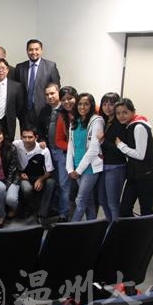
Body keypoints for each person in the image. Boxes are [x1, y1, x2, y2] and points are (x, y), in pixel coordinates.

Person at [115, 98, 153, 217]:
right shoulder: (130, 126)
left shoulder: (139, 126)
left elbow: (140, 155)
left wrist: (120, 145)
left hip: (146, 177)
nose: (121, 116)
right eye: (118, 113)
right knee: (124, 210)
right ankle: (135, 229)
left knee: (146, 212)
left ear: (133, 111)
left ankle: (148, 230)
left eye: (125, 112)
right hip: (134, 176)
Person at [67, 93, 104, 222]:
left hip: (89, 168)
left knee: (81, 200)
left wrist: (78, 171)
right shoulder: (74, 121)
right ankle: (92, 226)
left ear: (91, 105)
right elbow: (71, 145)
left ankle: (71, 228)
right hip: (76, 166)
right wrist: (70, 168)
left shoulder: (96, 121)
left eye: (86, 104)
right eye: (80, 104)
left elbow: (94, 149)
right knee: (89, 200)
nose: (82, 107)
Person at [37, 83, 69, 221]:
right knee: (53, 181)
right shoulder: (44, 110)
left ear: (58, 93)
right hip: (49, 152)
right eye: (47, 94)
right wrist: (41, 139)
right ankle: (54, 209)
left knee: (63, 183)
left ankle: (63, 214)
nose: (50, 97)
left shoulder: (66, 109)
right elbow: (39, 129)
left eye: (52, 93)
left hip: (62, 152)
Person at [14, 126, 55, 224]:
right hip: (23, 176)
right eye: (24, 137)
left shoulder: (43, 150)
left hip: (38, 176)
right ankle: (31, 209)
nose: (27, 140)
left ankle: (42, 214)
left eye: (30, 137)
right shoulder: (16, 145)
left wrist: (41, 180)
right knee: (26, 188)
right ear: (21, 137)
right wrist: (19, 174)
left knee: (51, 182)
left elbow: (49, 171)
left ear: (36, 137)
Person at [15, 39, 61, 127]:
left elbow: (56, 88)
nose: (34, 52)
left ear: (41, 50)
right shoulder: (20, 67)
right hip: (24, 112)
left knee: (42, 135)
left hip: (44, 110)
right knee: (26, 135)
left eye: (36, 49)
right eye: (31, 49)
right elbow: (17, 90)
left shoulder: (50, 66)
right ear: (27, 51)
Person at [97, 92, 127, 222]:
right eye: (104, 104)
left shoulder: (120, 123)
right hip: (103, 166)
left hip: (116, 167)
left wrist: (103, 142)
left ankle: (117, 231)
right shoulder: (103, 121)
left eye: (111, 104)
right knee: (102, 200)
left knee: (113, 203)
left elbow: (121, 150)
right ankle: (111, 226)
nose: (107, 107)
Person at [0, 124, 20, 228]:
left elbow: (12, 169)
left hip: (12, 178)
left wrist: (8, 184)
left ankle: (15, 209)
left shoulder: (11, 147)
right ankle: (1, 216)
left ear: (3, 134)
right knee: (0, 188)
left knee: (11, 200)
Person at [55, 85, 78, 219]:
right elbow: (58, 141)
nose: (67, 102)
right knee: (64, 184)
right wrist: (72, 148)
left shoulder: (88, 110)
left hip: (87, 156)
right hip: (68, 154)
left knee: (83, 189)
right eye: (63, 100)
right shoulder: (62, 116)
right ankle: (64, 214)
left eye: (70, 98)